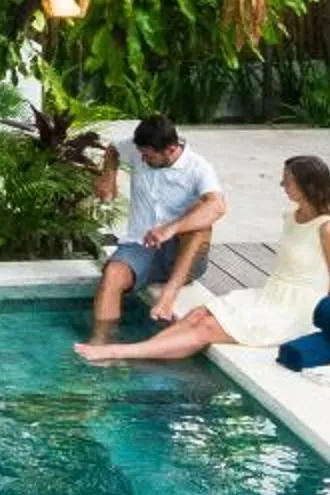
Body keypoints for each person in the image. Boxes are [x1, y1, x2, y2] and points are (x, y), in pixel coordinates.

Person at [79, 154, 330, 364]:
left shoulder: (329, 228)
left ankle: (118, 352)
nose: (282, 184)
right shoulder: (291, 217)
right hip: (271, 295)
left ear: (308, 185)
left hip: (298, 309)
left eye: (288, 180)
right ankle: (139, 350)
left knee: (206, 329)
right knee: (198, 314)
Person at [89, 114, 227, 340]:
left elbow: (218, 207)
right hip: (140, 246)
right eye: (141, 154)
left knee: (201, 217)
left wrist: (171, 228)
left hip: (181, 256)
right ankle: (100, 344)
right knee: (112, 274)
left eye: (149, 156)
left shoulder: (198, 168)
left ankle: (167, 297)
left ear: (171, 150)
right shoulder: (138, 151)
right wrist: (109, 177)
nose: (141, 160)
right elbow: (113, 149)